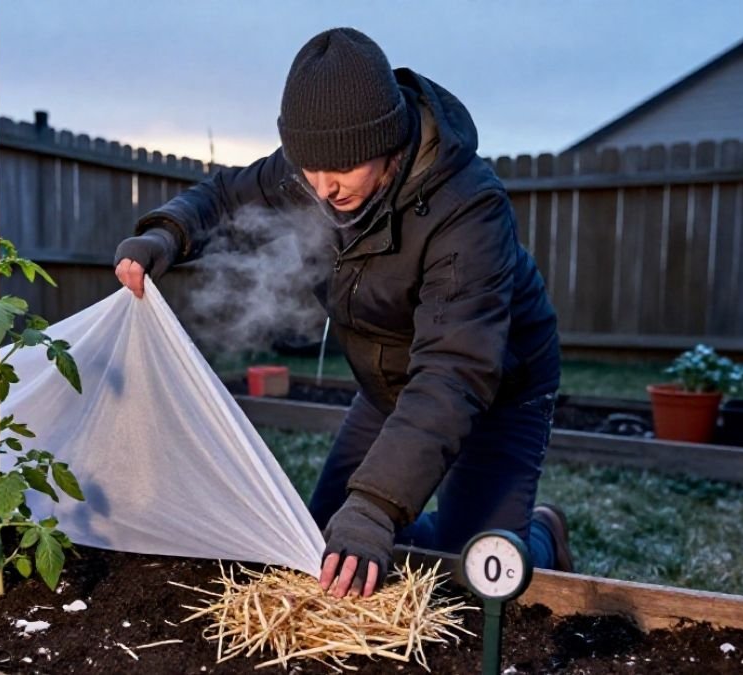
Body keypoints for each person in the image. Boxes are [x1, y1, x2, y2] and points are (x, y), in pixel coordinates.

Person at [114, 27, 572, 598]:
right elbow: (227, 197)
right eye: (311, 170)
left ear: (390, 140)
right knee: (324, 545)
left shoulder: (469, 208)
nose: (324, 189)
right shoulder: (314, 166)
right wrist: (167, 232)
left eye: (344, 170)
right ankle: (407, 533)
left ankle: (542, 535)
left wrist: (378, 507)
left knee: (473, 575)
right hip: (387, 383)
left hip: (495, 381)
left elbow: (454, 370)